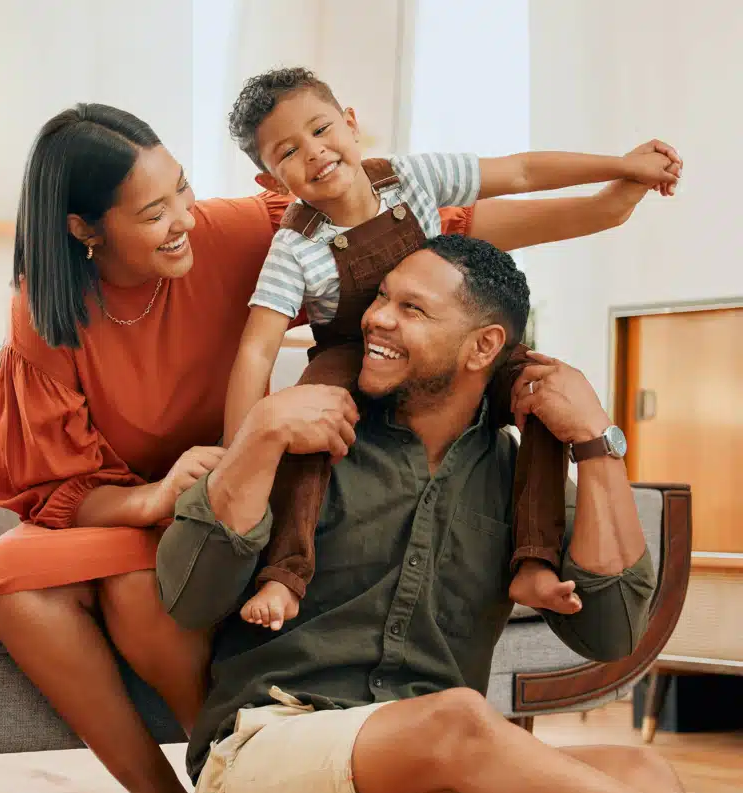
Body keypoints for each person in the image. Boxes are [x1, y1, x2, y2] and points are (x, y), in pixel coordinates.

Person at [0, 101, 670, 793]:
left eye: (184, 192)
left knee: (142, 585)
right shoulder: (48, 314)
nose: (183, 221)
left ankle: (213, 791)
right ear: (84, 230)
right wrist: (192, 479)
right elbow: (55, 485)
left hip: (250, 487)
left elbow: (429, 223)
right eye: (153, 212)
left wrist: (613, 199)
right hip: (173, 495)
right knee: (20, 575)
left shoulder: (240, 232)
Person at [158, 236, 743, 793]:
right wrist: (260, 434)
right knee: (460, 719)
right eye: (381, 298)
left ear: (482, 346)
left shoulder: (515, 479)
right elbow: (187, 597)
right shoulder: (306, 437)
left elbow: (614, 634)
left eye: (411, 308)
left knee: (633, 768)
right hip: (265, 791)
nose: (376, 318)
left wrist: (595, 441)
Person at [221, 67, 682, 633]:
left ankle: (534, 560)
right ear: (272, 182)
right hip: (351, 349)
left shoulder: (411, 177)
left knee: (544, 389)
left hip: (447, 333)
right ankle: (285, 573)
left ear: (351, 123)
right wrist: (238, 453)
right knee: (307, 423)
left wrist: (622, 166)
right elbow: (254, 354)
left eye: (320, 130)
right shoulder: (294, 248)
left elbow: (520, 170)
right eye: (288, 152)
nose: (314, 153)